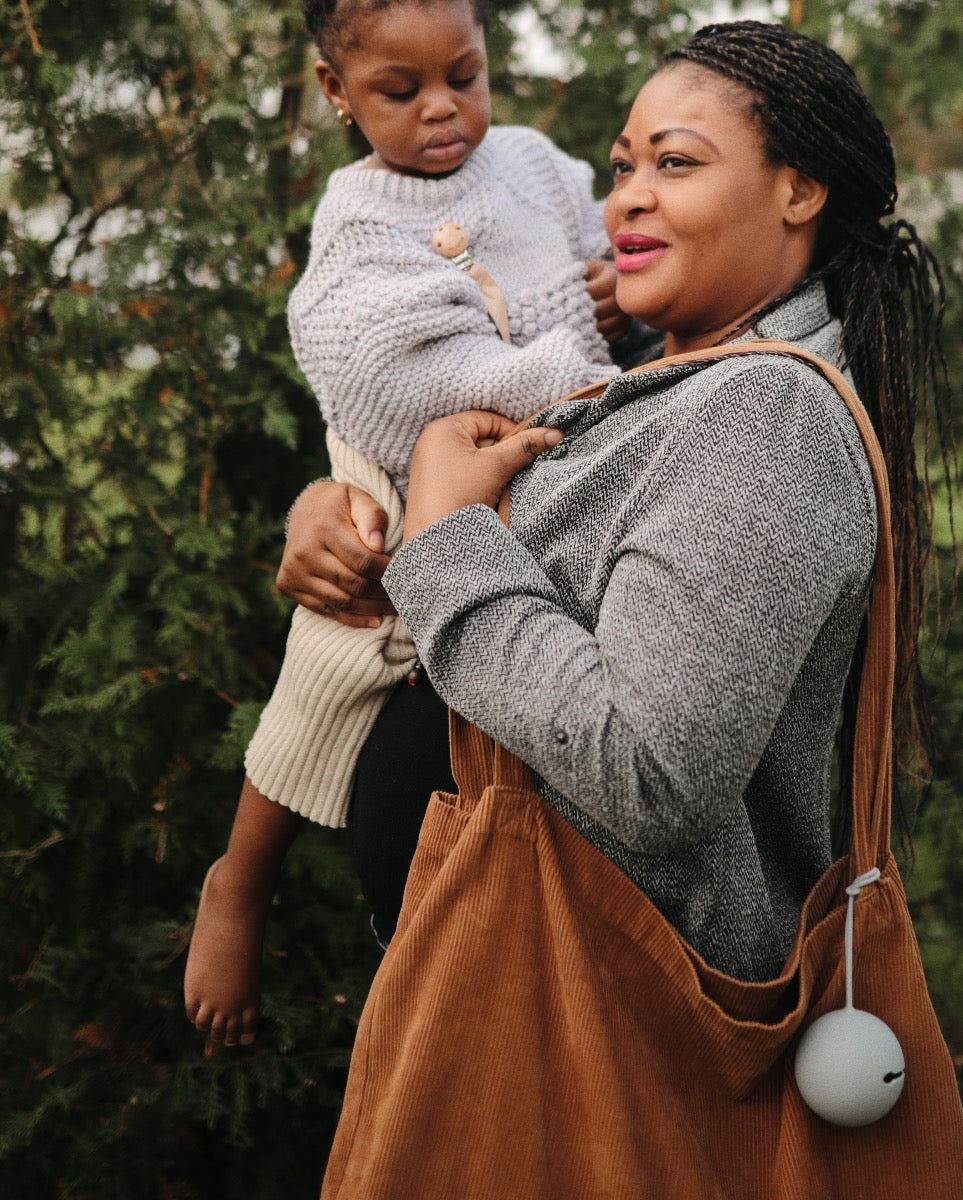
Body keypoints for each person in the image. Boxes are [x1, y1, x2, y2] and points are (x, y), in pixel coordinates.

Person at [283, 17, 954, 986]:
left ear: (798, 188)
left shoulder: (765, 413)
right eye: (623, 166)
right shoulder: (669, 378)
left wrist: (446, 537)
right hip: (508, 975)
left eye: (675, 165)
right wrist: (340, 504)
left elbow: (652, 775)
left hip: (590, 1005)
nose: (625, 201)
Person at [184, 0, 639, 1048]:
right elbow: (379, 368)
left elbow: (604, 242)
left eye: (465, 77)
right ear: (337, 92)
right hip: (399, 457)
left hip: (527, 451)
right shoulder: (355, 215)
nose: (443, 109)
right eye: (400, 90)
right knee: (340, 654)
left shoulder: (528, 162)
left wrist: (615, 292)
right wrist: (574, 374)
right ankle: (240, 882)